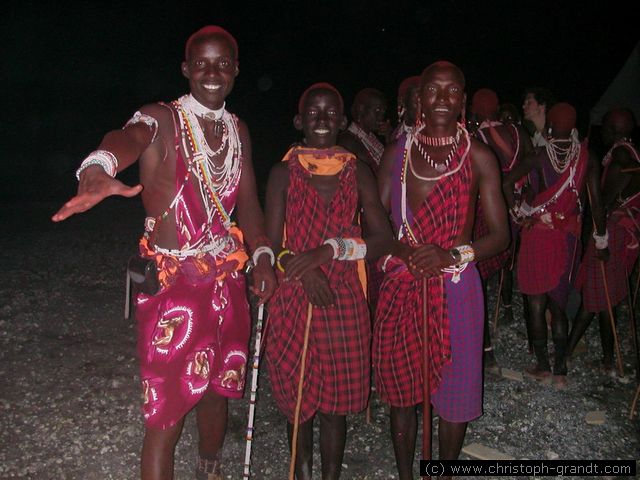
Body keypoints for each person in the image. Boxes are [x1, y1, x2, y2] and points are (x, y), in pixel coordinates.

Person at [52, 26, 277, 480]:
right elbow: (130, 136)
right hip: (174, 288)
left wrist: (264, 255)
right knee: (167, 414)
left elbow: (249, 203)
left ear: (236, 70)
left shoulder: (238, 129)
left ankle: (209, 471)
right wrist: (99, 166)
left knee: (217, 391)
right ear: (185, 69)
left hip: (225, 280)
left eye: (222, 63)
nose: (212, 72)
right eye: (201, 63)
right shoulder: (163, 118)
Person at [373, 61, 509, 479]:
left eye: (453, 92)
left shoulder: (479, 157)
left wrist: (449, 256)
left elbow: (502, 236)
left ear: (463, 101)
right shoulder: (398, 153)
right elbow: (374, 224)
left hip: (457, 284)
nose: (442, 100)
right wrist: (406, 250)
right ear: (420, 97)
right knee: (401, 394)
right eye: (434, 90)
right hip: (403, 280)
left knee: (455, 390)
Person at [264, 83, 392, 480]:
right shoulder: (282, 172)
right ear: (300, 121)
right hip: (294, 294)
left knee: (336, 408)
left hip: (344, 297)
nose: (322, 119)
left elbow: (383, 239)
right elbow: (270, 246)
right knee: (298, 403)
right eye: (313, 113)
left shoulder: (359, 172)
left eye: (331, 113)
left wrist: (330, 251)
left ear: (344, 121)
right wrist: (301, 270)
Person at [505, 102, 607, 389]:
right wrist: (601, 240)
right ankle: (561, 369)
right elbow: (597, 204)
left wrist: (516, 212)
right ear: (574, 130)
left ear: (548, 128)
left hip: (538, 234)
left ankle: (542, 366)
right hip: (567, 238)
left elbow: (506, 182)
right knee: (558, 304)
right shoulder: (588, 158)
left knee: (536, 303)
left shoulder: (537, 156)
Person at [569, 108, 640, 373]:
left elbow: (631, 178)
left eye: (607, 127)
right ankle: (609, 359)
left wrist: (617, 204)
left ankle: (564, 356)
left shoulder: (622, 152)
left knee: (596, 293)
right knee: (606, 296)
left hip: (613, 231)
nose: (603, 131)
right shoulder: (628, 149)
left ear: (613, 130)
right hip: (616, 228)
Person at [470, 88, 535, 370]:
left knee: (480, 278)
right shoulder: (518, 132)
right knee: (508, 264)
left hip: (488, 211)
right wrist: (516, 189)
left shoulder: (474, 139)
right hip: (518, 207)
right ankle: (531, 338)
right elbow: (532, 162)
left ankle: (486, 349)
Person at [338, 87, 391, 176]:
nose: (381, 117)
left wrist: (388, 136)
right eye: (377, 111)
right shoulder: (348, 141)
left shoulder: (371, 137)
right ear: (361, 109)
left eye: (383, 112)